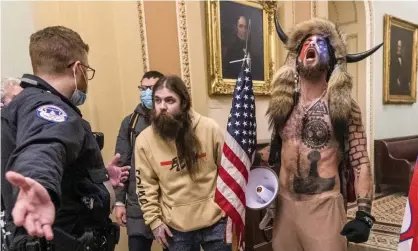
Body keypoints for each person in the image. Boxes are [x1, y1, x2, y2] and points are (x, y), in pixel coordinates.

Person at [1, 25, 130, 251]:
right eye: (87, 71)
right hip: (64, 239)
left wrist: (97, 177)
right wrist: (38, 182)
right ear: (77, 68)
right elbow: (42, 147)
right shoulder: (49, 108)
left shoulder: (23, 104)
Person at [264, 16, 383, 251]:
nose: (311, 45)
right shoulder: (284, 103)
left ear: (331, 59)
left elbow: (360, 161)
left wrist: (364, 214)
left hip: (324, 206)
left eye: (320, 43)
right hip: (284, 207)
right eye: (306, 42)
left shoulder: (344, 106)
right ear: (297, 56)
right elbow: (277, 152)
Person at [135, 76, 230, 251]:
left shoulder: (209, 129)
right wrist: (154, 222)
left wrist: (229, 210)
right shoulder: (144, 140)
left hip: (215, 220)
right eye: (157, 100)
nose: (162, 106)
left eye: (170, 100)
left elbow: (227, 172)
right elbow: (145, 186)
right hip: (176, 228)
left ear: (184, 103)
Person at [113, 71, 164, 251]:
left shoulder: (174, 121)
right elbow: (121, 165)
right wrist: (119, 202)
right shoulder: (130, 123)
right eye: (144, 88)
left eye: (152, 88)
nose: (147, 92)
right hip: (138, 203)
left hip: (170, 201)